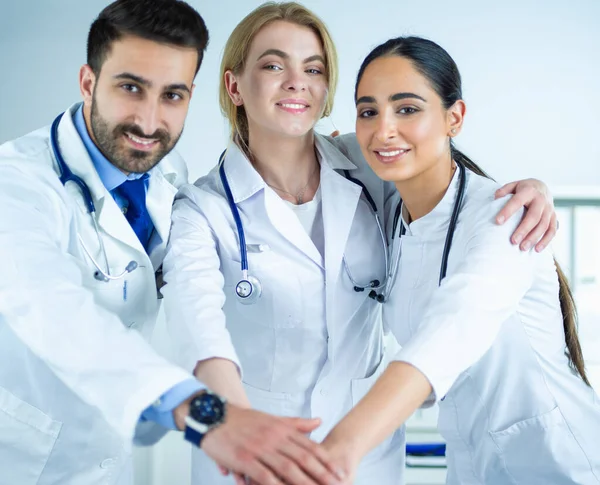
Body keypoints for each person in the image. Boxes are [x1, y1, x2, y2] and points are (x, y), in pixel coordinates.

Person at [161, 3, 558, 484]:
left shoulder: (371, 163)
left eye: (313, 68)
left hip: (366, 460)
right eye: (272, 65)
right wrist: (237, 425)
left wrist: (536, 186)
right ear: (234, 86)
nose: (296, 81)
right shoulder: (200, 209)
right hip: (252, 460)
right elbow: (197, 329)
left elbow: (442, 171)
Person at [0, 2, 346, 485]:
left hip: (109, 455)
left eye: (172, 95)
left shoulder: (165, 173)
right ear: (88, 82)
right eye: (130, 88)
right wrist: (210, 414)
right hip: (21, 458)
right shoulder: (16, 185)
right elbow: (59, 315)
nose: (148, 120)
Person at [320, 36, 600, 484]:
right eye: (368, 110)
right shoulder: (393, 204)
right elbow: (297, 147)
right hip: (471, 468)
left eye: (407, 108)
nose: (383, 129)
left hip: (565, 466)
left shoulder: (503, 218)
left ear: (455, 118)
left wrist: (340, 447)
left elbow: (454, 326)